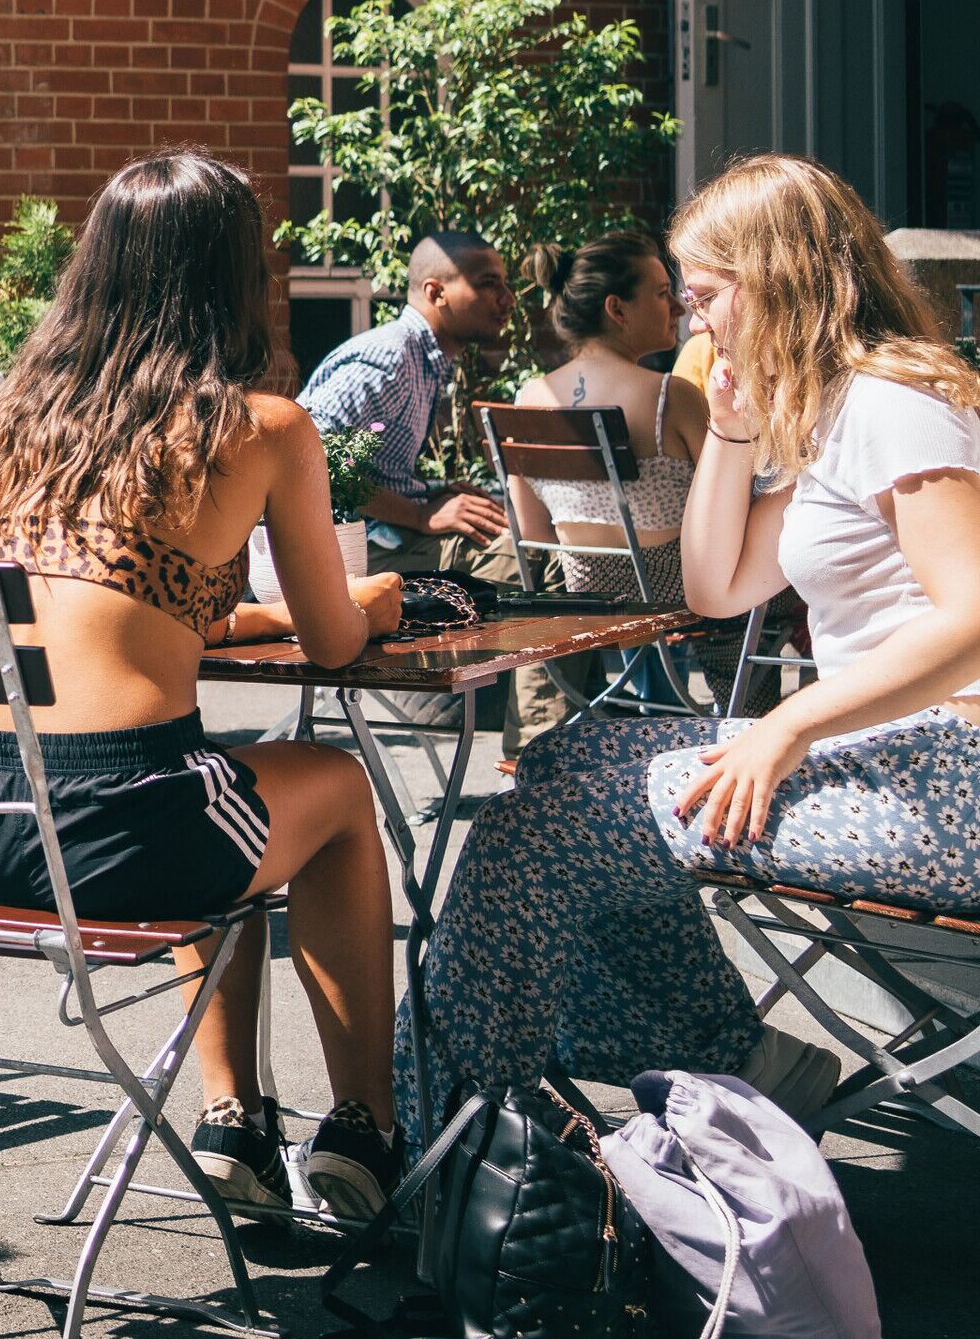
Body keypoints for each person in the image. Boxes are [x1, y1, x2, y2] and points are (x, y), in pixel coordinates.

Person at [409, 153, 980, 1134]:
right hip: (887, 756)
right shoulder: (831, 413)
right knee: (553, 772)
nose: (692, 320)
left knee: (560, 822)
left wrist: (787, 723)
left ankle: (441, 1127)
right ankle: (484, 1111)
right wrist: (729, 433)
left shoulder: (892, 407)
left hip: (946, 780)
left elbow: (972, 618)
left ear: (777, 284)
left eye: (708, 295)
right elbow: (717, 588)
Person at [0, 152, 409, 1222]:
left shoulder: (30, 419)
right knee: (332, 792)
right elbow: (339, 647)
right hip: (113, 830)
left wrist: (237, 617)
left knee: (217, 784)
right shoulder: (258, 425)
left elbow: (131, 592)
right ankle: (366, 1131)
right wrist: (376, 600)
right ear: (234, 273)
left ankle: (235, 1125)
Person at [502, 231, 710, 601]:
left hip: (591, 599)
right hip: (687, 593)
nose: (679, 308)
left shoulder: (529, 400)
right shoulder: (671, 398)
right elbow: (728, 515)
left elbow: (534, 533)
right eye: (663, 294)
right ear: (617, 310)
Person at [296, 231, 517, 566]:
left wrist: (430, 493)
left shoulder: (422, 358)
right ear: (436, 292)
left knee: (520, 542)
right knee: (522, 560)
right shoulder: (390, 359)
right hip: (341, 548)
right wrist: (418, 514)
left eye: (504, 283)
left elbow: (375, 470)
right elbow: (307, 454)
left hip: (384, 536)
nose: (508, 298)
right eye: (489, 283)